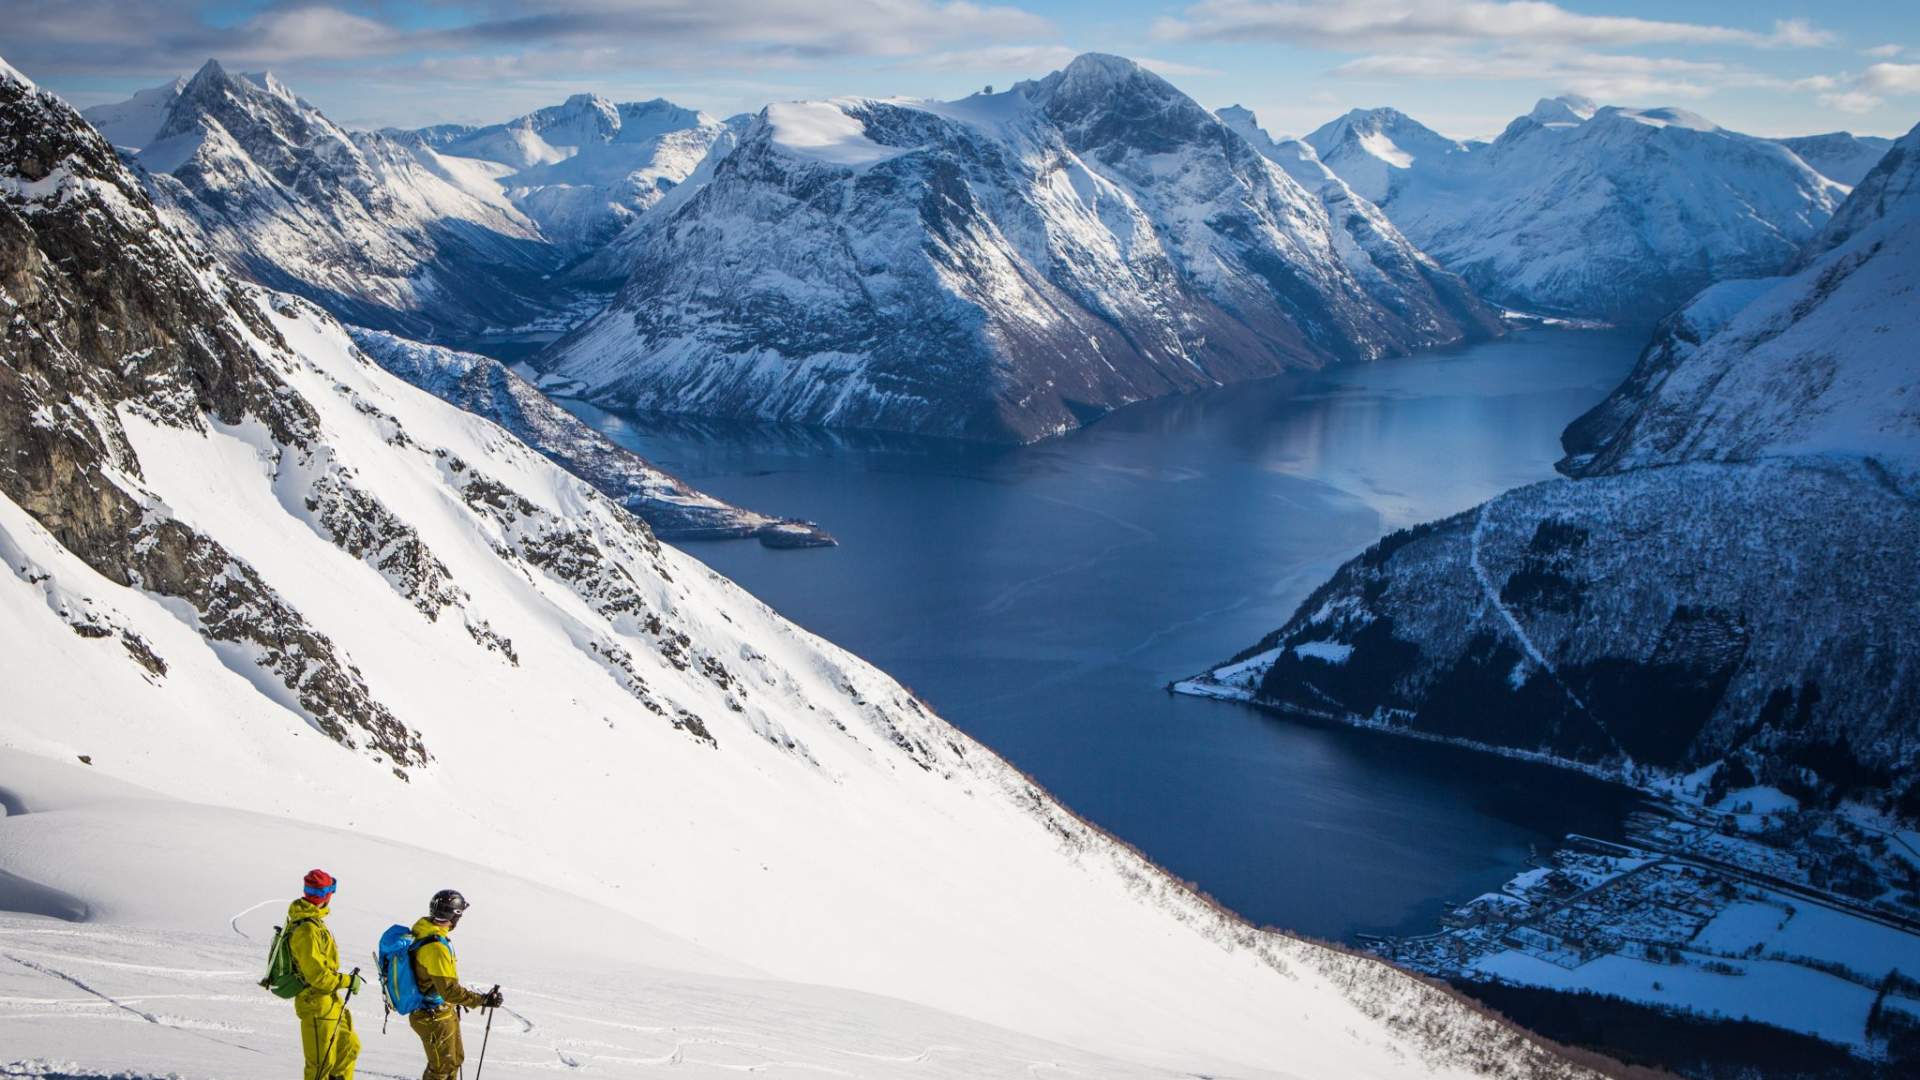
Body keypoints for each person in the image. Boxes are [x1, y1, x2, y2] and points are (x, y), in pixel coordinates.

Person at [408, 889, 502, 1080]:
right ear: (454, 915)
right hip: (433, 1015)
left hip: (437, 1012)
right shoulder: (436, 947)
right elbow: (449, 991)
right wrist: (482, 1000)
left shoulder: (425, 932)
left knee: (453, 1061)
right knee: (442, 1068)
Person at [288, 868, 362, 1080]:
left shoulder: (314, 923)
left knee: (349, 1047)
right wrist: (347, 980)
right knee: (321, 1065)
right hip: (316, 1003)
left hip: (330, 1002)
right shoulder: (306, 930)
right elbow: (318, 977)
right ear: (326, 895)